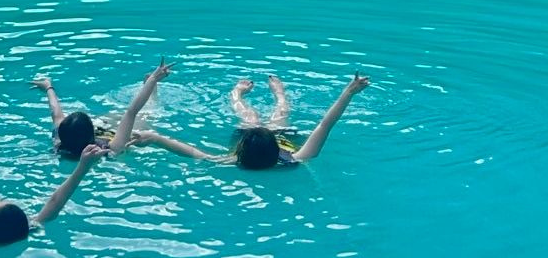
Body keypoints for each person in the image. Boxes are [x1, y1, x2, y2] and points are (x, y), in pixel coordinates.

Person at [132, 73, 370, 169]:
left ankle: (237, 94)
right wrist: (348, 93)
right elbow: (325, 125)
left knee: (250, 117)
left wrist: (155, 138)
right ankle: (279, 93)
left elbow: (193, 152)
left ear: (241, 148)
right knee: (280, 113)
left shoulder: (233, 160)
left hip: (261, 141)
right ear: (277, 149)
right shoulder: (295, 158)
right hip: (277, 138)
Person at [32, 58, 173, 158]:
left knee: (139, 114)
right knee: (147, 113)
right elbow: (132, 112)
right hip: (106, 126)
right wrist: (153, 80)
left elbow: (56, 113)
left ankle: (150, 88)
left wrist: (48, 87)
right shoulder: (110, 150)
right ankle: (151, 92)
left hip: (107, 128)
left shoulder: (58, 144)